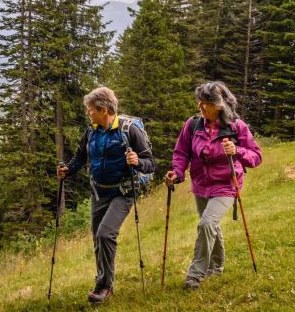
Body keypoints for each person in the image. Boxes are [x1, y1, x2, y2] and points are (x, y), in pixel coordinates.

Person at [57, 87, 155, 303]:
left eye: (89, 109)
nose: (87, 113)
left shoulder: (129, 130)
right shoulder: (91, 130)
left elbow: (151, 164)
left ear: (103, 110)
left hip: (123, 192)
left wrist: (137, 162)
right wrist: (68, 170)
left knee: (105, 234)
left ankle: (104, 286)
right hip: (98, 191)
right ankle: (103, 279)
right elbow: (81, 156)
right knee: (98, 238)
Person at [165, 81, 262, 290]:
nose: (200, 107)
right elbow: (182, 152)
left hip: (226, 185)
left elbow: (256, 156)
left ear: (218, 105)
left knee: (207, 224)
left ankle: (195, 274)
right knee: (211, 225)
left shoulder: (237, 127)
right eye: (199, 102)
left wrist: (237, 150)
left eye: (205, 103)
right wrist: (178, 173)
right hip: (201, 185)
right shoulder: (192, 125)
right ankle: (216, 267)